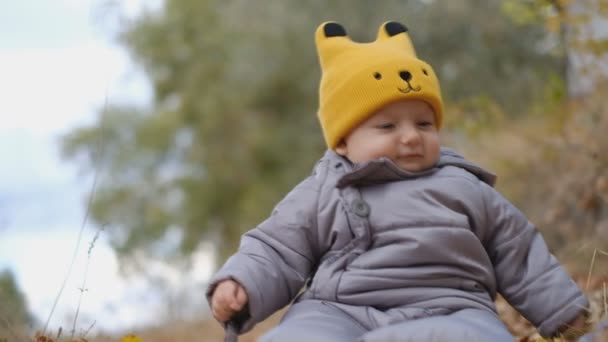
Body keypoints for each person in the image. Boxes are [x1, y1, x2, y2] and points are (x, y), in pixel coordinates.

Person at [206, 21, 592, 341]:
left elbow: (519, 251)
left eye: (424, 123)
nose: (410, 136)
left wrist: (565, 314)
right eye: (387, 126)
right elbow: (277, 247)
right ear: (342, 141)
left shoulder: (463, 185)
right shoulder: (325, 190)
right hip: (339, 310)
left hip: (451, 305)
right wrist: (242, 283)